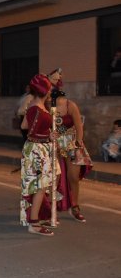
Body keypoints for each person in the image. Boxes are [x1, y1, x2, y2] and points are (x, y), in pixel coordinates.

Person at [48, 69, 93, 223]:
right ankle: (52, 208)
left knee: (73, 177)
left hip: (71, 144)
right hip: (54, 145)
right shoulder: (48, 106)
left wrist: (77, 143)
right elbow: (48, 125)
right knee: (54, 178)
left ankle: (75, 206)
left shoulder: (70, 105)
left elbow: (79, 127)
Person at [20, 74, 60, 236]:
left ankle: (38, 216)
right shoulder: (37, 108)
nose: (51, 91)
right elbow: (32, 133)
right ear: (44, 91)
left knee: (42, 186)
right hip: (37, 150)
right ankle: (34, 223)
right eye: (49, 88)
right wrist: (48, 136)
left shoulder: (35, 106)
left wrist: (48, 133)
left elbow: (24, 125)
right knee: (40, 187)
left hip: (39, 149)